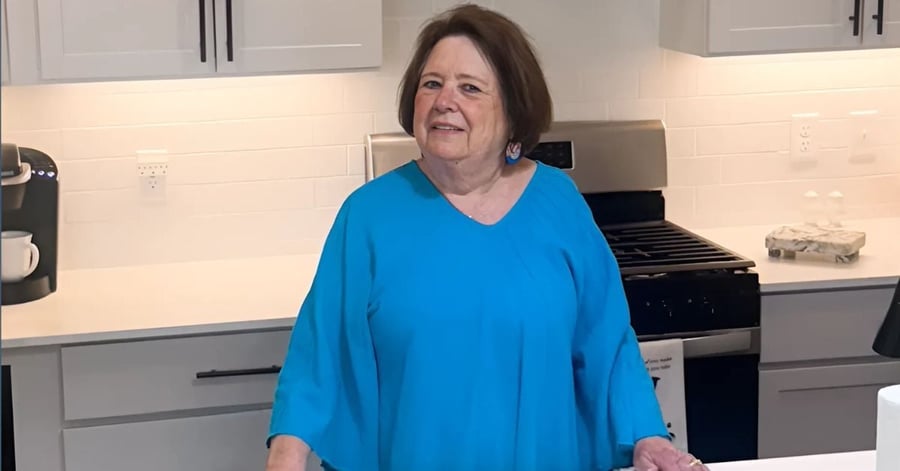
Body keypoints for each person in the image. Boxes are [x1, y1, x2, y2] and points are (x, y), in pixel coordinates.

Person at [264, 5, 710, 471]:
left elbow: (607, 343)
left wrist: (647, 437)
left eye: (470, 88)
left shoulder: (559, 203)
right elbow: (319, 352)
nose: (444, 101)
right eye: (431, 83)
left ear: (514, 113)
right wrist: (286, 456)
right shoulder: (369, 215)